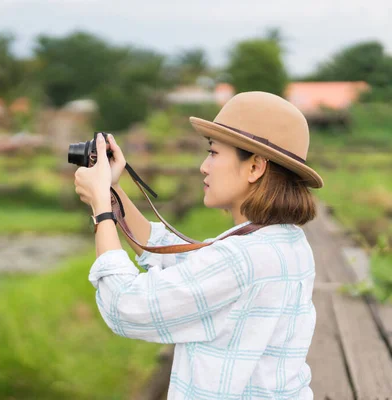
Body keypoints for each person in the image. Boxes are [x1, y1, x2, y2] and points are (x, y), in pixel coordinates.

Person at [73, 91, 323, 399]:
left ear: (256, 167)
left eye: (214, 153)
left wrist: (101, 210)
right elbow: (176, 256)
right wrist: (112, 190)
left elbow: (124, 305)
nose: (204, 167)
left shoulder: (242, 259)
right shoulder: (285, 241)